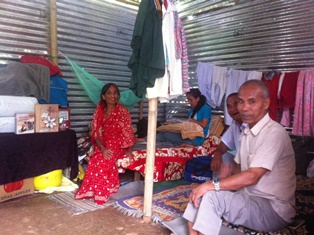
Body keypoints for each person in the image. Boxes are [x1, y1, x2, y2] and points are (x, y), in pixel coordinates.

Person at [183, 79, 296, 235]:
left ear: (266, 103)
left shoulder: (274, 134)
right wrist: (216, 181)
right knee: (199, 193)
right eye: (241, 102)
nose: (244, 108)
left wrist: (212, 185)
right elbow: (238, 169)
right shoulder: (246, 132)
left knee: (211, 196)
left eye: (252, 102)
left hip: (273, 209)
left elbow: (252, 176)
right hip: (248, 197)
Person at [75, 83, 136, 205]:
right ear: (103, 96)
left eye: (115, 93)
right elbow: (96, 133)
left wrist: (128, 149)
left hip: (119, 143)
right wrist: (102, 148)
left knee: (105, 161)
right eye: (109, 93)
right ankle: (91, 190)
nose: (113, 96)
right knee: (95, 159)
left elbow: (128, 132)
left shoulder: (123, 111)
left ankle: (105, 190)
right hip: (103, 143)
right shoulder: (99, 111)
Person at [210, 92, 246, 178]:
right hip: (241, 163)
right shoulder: (235, 124)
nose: (232, 109)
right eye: (229, 106)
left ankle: (221, 186)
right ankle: (217, 185)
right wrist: (217, 156)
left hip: (252, 167)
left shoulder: (251, 126)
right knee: (221, 157)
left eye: (235, 104)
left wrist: (232, 170)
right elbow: (222, 146)